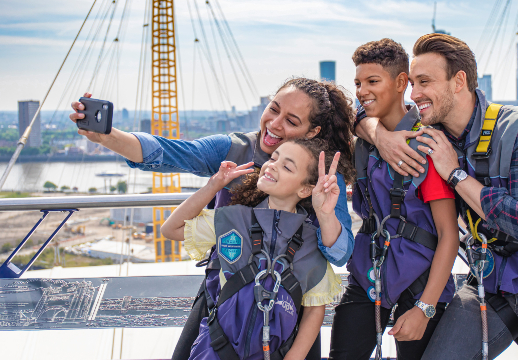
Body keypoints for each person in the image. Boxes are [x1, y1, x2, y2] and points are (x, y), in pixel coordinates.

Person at [69, 78, 355, 360]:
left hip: (288, 307)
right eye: (273, 108)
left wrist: (324, 211)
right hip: (226, 295)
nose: (275, 123)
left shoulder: (322, 176)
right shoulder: (234, 150)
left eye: (292, 121)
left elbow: (339, 253)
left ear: (312, 131)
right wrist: (108, 136)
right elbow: (171, 151)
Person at [357, 33, 518, 360]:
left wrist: (455, 175)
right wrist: (380, 136)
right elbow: (357, 113)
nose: (414, 94)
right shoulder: (430, 133)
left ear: (459, 81)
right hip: (492, 279)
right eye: (412, 83)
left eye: (424, 82)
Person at [329, 38, 459, 360]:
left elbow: (448, 235)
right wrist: (377, 134)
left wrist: (424, 308)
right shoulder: (363, 142)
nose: (361, 90)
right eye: (358, 82)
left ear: (402, 83)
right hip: (369, 272)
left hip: (421, 282)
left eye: (373, 81)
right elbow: (352, 114)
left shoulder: (427, 144)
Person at [161, 138, 343, 360]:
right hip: (214, 350)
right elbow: (171, 229)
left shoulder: (311, 242)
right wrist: (214, 185)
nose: (273, 165)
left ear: (305, 189)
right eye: (273, 158)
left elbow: (315, 308)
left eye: (286, 166)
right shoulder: (231, 220)